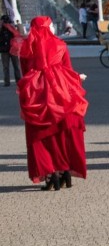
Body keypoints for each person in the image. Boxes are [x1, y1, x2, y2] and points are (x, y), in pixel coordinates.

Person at [17, 16, 88, 190]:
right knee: (62, 132)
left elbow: (25, 72)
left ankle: (51, 173)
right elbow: (68, 68)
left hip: (37, 91)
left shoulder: (27, 48)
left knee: (41, 134)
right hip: (61, 88)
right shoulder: (60, 45)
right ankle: (65, 171)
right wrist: (77, 79)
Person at [0, 15, 22, 86]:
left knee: (16, 66)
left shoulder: (12, 27)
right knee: (6, 67)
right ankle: (7, 82)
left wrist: (17, 25)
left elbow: (19, 34)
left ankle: (18, 80)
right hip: (4, 50)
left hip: (13, 49)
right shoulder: (1, 28)